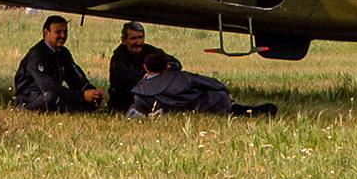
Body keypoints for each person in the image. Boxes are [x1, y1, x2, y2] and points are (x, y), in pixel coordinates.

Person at [126, 50, 276, 118]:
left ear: (145, 67)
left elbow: (136, 109)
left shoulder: (140, 90)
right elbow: (210, 83)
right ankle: (239, 108)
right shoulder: (182, 77)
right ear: (167, 66)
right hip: (202, 107)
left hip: (171, 111)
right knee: (217, 95)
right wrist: (225, 92)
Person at [14, 15, 104, 112]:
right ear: (46, 33)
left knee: (92, 98)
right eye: (58, 32)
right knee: (51, 97)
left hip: (54, 93)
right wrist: (80, 96)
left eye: (65, 32)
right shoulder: (37, 55)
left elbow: (76, 79)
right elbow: (48, 86)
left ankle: (77, 109)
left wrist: (93, 91)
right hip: (32, 97)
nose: (63, 36)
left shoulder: (63, 53)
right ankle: (74, 109)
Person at [107, 22, 181, 112]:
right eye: (133, 38)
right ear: (124, 40)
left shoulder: (148, 50)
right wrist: (146, 79)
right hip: (125, 100)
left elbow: (175, 64)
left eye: (140, 37)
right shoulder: (118, 57)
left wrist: (161, 74)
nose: (138, 42)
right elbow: (124, 76)